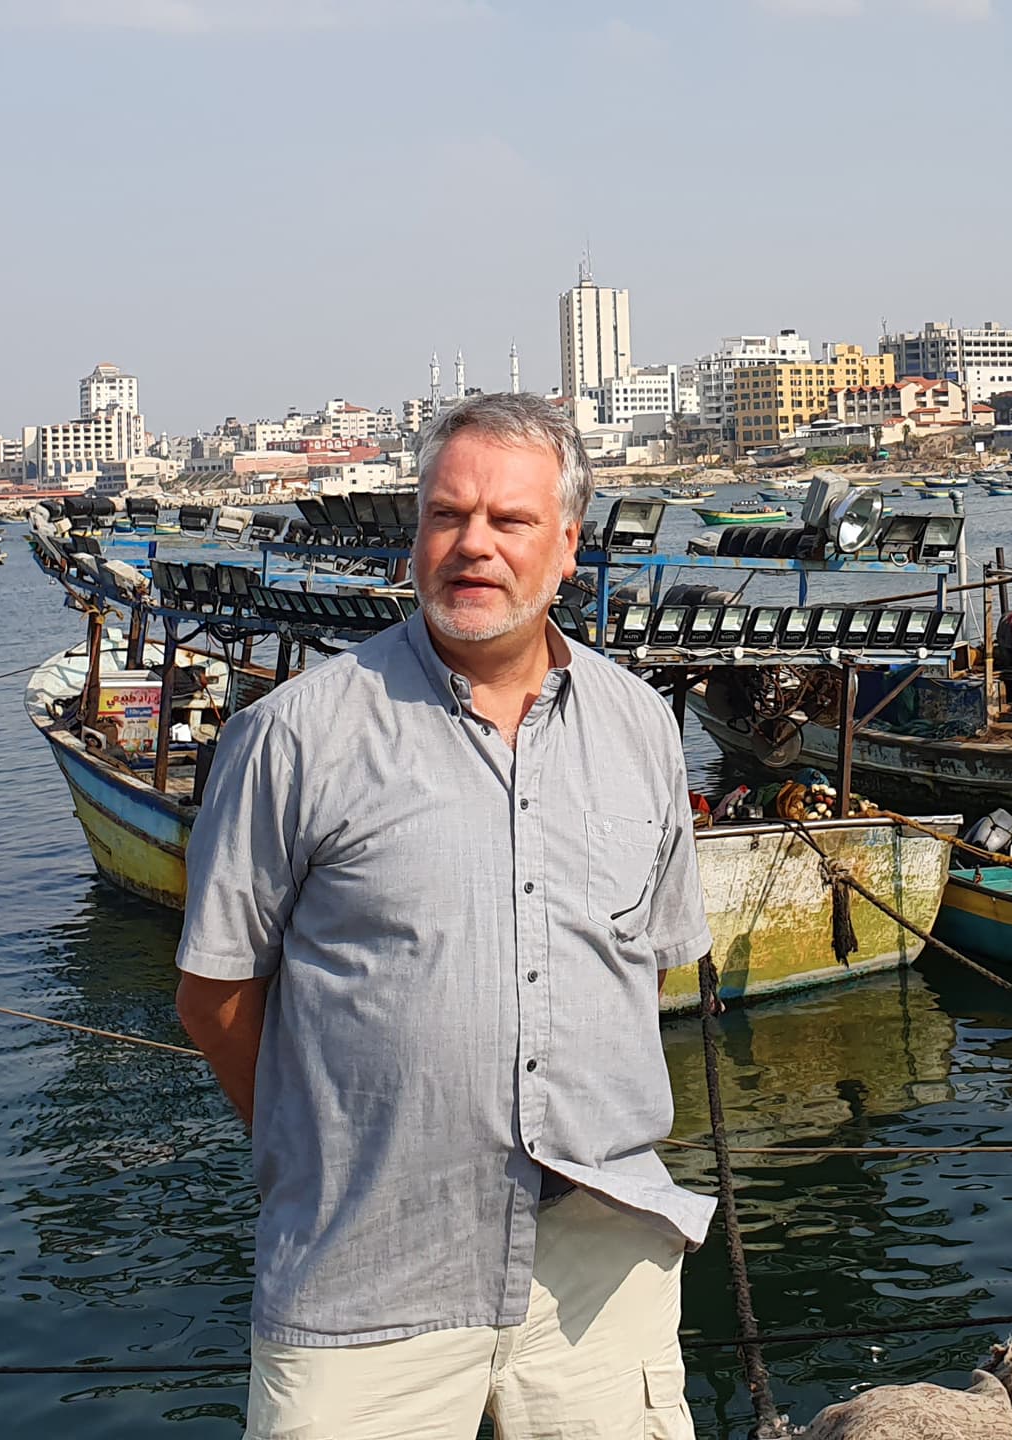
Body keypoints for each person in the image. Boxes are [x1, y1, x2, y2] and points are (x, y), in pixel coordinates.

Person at [175, 392, 714, 1440]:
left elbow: (642, 970)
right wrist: (347, 1146)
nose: (473, 545)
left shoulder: (641, 728)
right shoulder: (293, 740)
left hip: (601, 1271)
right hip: (368, 1272)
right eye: (445, 516)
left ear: (567, 547)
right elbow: (215, 999)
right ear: (413, 535)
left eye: (508, 522)